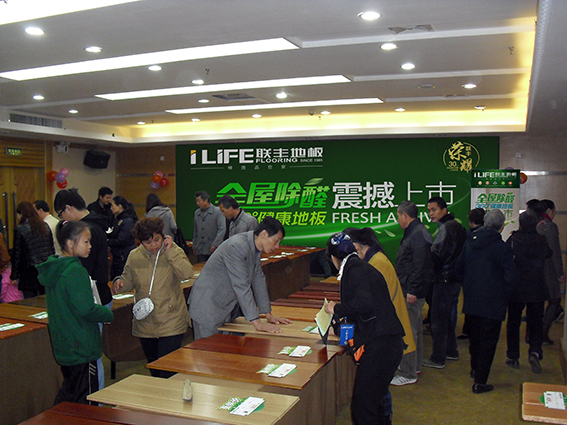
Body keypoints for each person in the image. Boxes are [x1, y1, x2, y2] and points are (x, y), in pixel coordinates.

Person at [324, 232, 404, 425]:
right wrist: (340, 332)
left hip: (381, 345)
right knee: (374, 402)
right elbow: (357, 314)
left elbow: (362, 304)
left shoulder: (355, 271)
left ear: (333, 258)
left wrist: (336, 308)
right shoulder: (358, 267)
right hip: (387, 342)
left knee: (363, 407)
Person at [36, 220, 114, 405]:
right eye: (86, 242)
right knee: (85, 400)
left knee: (70, 393)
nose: (90, 246)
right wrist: (107, 314)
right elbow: (86, 308)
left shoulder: (55, 269)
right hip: (81, 345)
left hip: (65, 343)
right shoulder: (75, 271)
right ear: (70, 243)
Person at [344, 227, 414, 423]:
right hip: (385, 329)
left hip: (385, 333)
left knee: (376, 390)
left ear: (356, 247)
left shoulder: (376, 263)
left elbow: (367, 303)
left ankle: (384, 417)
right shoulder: (373, 259)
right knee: (378, 388)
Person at [112, 217, 193, 378]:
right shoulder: (134, 256)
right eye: (148, 242)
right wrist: (120, 282)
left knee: (167, 368)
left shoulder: (173, 251)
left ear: (163, 236)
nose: (154, 245)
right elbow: (128, 280)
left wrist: (170, 252)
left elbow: (187, 273)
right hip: (146, 322)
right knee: (154, 366)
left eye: (157, 239)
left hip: (171, 320)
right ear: (141, 242)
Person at [188, 216, 291, 340]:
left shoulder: (255, 247)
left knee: (222, 347)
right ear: (263, 234)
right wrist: (257, 322)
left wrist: (268, 314)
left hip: (224, 306)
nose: (277, 246)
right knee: (207, 349)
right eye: (276, 241)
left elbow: (258, 278)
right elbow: (241, 285)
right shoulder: (237, 246)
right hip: (208, 306)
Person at [455, 210, 518, 393]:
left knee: (475, 339)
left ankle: (475, 369)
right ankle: (480, 382)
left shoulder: (469, 242)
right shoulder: (502, 248)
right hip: (493, 304)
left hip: (472, 300)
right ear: (502, 227)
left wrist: (468, 287)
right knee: (488, 342)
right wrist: (503, 295)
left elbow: (458, 269)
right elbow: (511, 277)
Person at [392, 200, 433, 386]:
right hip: (410, 288)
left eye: (398, 216)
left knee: (408, 330)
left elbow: (420, 265)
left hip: (411, 291)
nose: (397, 220)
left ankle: (408, 373)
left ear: (404, 215)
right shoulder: (414, 231)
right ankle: (415, 366)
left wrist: (412, 290)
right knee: (414, 328)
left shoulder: (417, 234)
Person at [423, 196, 466, 369]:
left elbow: (437, 255)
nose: (431, 214)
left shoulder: (446, 228)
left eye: (434, 210)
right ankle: (451, 350)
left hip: (444, 279)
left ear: (444, 210)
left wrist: (426, 254)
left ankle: (438, 358)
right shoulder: (457, 226)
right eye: (429, 211)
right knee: (446, 318)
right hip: (454, 278)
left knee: (438, 321)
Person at [506, 210, 551, 374]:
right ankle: (535, 352)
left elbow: (506, 258)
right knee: (536, 322)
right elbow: (549, 253)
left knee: (513, 322)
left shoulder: (514, 239)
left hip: (517, 288)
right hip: (537, 288)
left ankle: (513, 356)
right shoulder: (541, 240)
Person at [54, 188, 112, 307]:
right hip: (101, 292)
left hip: (91, 296)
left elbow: (83, 267)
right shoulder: (96, 224)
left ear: (68, 208)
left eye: (61, 214)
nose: (63, 219)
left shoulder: (84, 231)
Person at [535, 199, 565, 345]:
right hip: (548, 270)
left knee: (537, 303)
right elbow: (555, 252)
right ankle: (543, 332)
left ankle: (532, 333)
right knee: (554, 300)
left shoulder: (535, 223)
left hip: (535, 269)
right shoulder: (550, 226)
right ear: (548, 210)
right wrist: (560, 273)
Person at [10, 201, 55, 299]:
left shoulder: (20, 229)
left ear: (21, 214)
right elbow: (51, 249)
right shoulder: (45, 226)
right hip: (45, 268)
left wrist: (14, 276)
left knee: (30, 301)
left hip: (28, 271)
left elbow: (17, 255)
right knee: (44, 299)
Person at [457, 208, 486, 340]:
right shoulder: (489, 237)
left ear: (470, 221)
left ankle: (468, 331)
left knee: (469, 305)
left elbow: (461, 261)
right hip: (483, 278)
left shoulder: (468, 237)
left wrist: (461, 277)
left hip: (469, 278)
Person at [108, 195, 138, 279]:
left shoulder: (127, 221)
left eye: (112, 205)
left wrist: (108, 242)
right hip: (118, 256)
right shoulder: (118, 220)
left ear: (120, 206)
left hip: (124, 256)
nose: (111, 208)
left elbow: (122, 240)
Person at [193, 191, 225, 263]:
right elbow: (195, 231)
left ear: (206, 200)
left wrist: (215, 244)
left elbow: (222, 229)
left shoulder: (217, 211)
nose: (197, 203)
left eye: (199, 201)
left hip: (213, 249)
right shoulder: (197, 213)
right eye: (196, 201)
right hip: (200, 249)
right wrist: (194, 246)